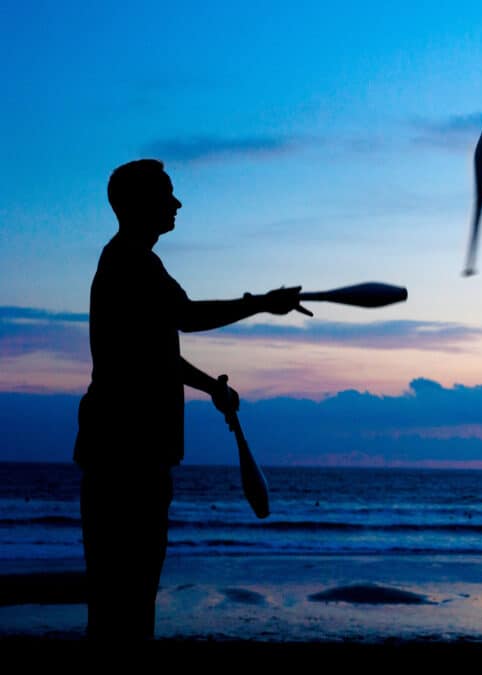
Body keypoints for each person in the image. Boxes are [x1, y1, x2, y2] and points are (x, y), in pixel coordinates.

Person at [74, 159, 311, 640]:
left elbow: (157, 352)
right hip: (128, 458)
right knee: (129, 597)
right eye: (168, 193)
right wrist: (261, 303)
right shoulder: (132, 262)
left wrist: (211, 387)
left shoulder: (131, 261)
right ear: (142, 204)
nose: (177, 203)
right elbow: (185, 316)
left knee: (121, 599)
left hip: (121, 453)